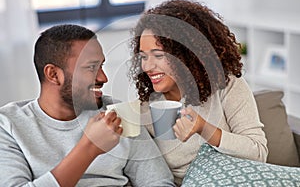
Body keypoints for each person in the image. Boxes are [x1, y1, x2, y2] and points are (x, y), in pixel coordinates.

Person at [0, 24, 175, 187]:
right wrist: (89, 148)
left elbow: (158, 182)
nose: (103, 78)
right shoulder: (8, 125)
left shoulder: (118, 113)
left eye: (101, 66)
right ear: (53, 74)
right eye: (91, 68)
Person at [129, 0, 268, 186]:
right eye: (143, 57)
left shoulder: (226, 85)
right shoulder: (145, 107)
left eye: (159, 55)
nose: (147, 66)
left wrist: (204, 128)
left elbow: (258, 152)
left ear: (187, 54)